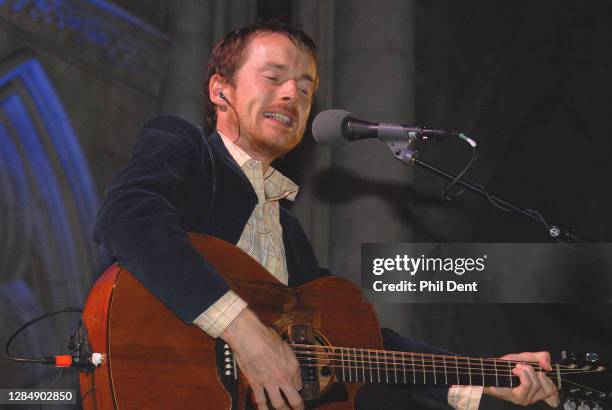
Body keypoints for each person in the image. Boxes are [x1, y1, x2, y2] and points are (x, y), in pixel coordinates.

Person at [93, 21, 560, 410]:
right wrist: (246, 333)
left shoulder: (289, 232)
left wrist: (482, 378)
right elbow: (128, 219)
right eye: (274, 77)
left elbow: (362, 340)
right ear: (221, 90)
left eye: (305, 86)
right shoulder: (184, 148)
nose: (292, 94)